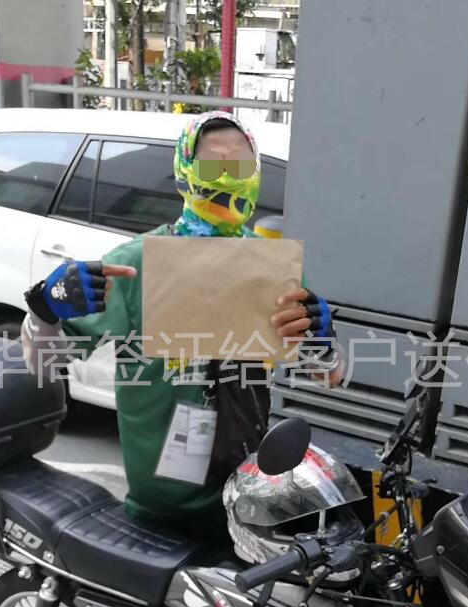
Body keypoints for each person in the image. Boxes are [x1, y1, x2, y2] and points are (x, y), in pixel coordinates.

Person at [21, 111, 343, 539]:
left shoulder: (270, 269)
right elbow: (44, 365)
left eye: (241, 166)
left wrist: (325, 341)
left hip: (251, 495)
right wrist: (44, 311)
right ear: (183, 172)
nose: (228, 179)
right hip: (164, 506)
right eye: (213, 165)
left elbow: (328, 376)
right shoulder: (137, 265)